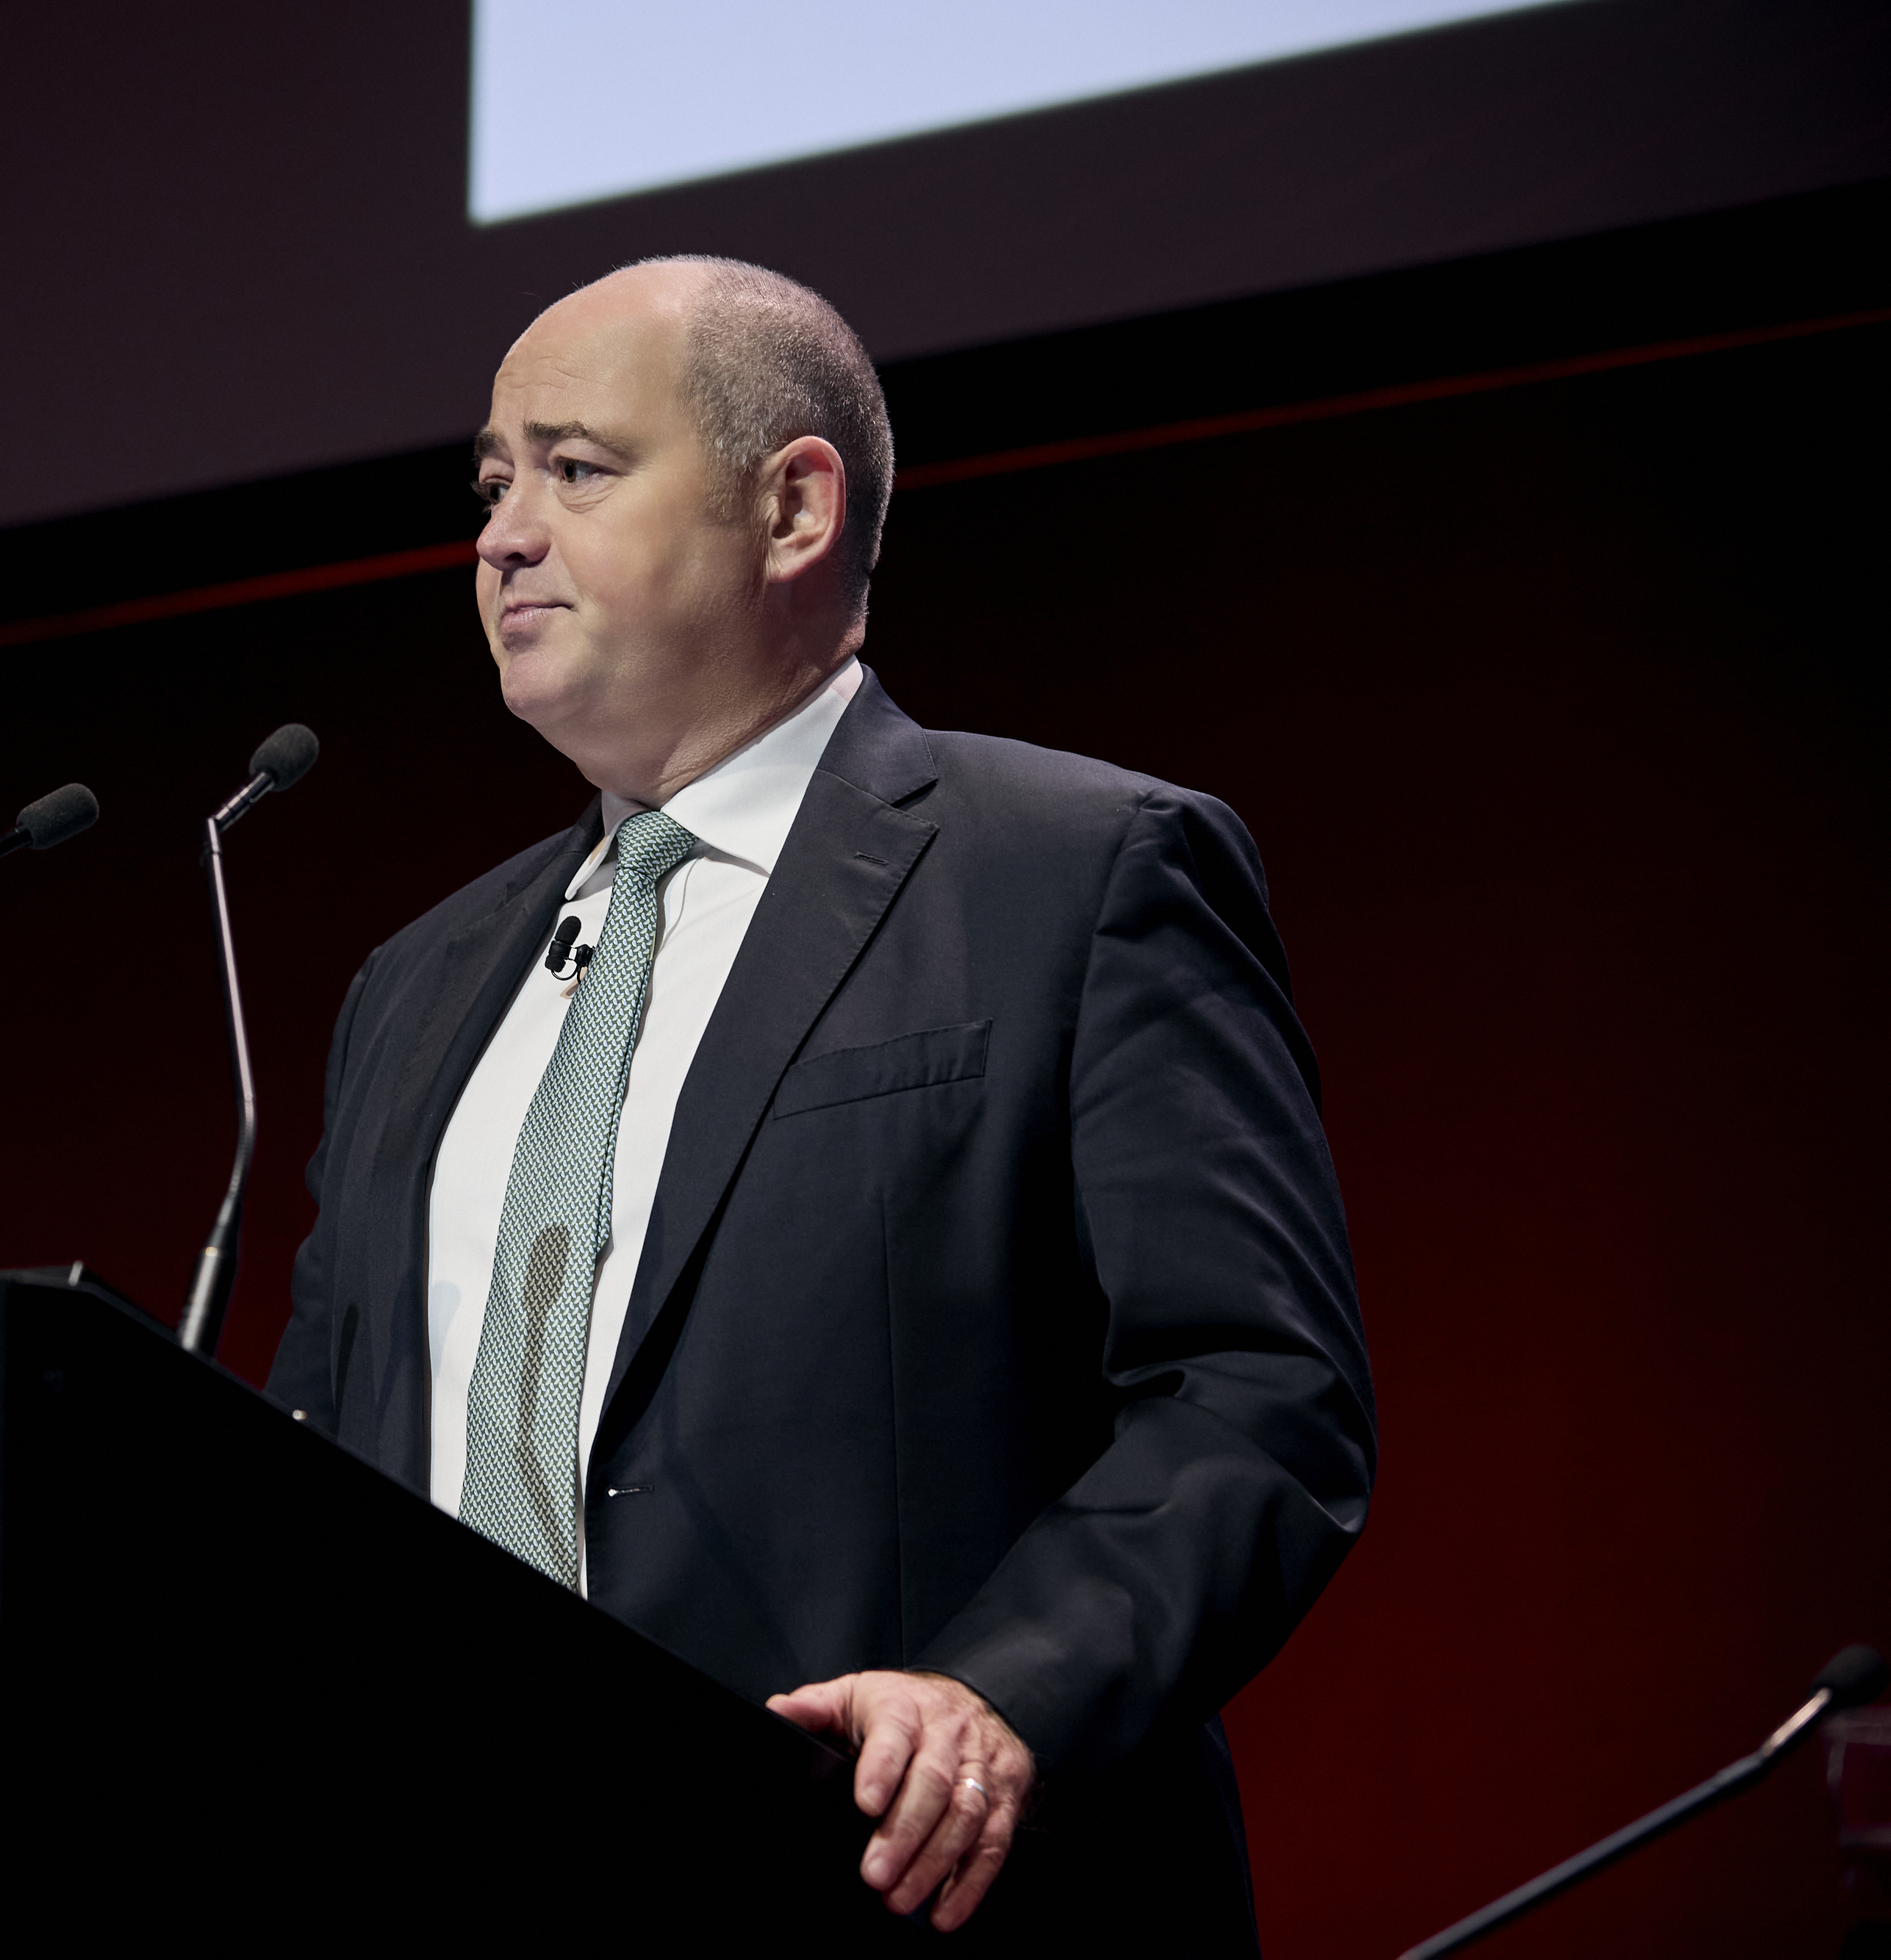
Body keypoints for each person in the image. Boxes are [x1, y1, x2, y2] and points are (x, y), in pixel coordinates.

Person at [266, 256, 1372, 1951]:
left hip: (895, 1885)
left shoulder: (1071, 876)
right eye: (489, 482)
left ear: (790, 506)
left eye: (571, 467)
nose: (497, 535)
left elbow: (1252, 1396)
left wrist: (1000, 1690)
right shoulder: (411, 987)